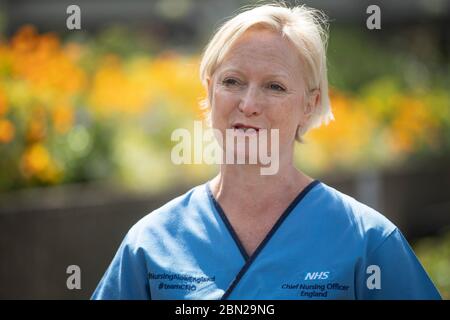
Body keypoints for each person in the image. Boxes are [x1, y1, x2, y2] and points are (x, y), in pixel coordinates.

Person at [91, 3, 442, 300]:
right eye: (232, 82)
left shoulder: (370, 243)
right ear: (210, 91)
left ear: (310, 104)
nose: (248, 104)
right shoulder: (150, 244)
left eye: (274, 86)